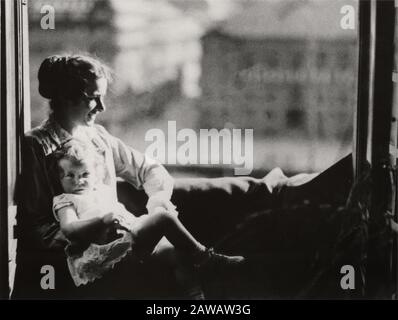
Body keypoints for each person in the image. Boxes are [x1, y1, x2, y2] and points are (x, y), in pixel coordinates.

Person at [16, 53, 342, 299]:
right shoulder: (37, 146)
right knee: (179, 261)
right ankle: (213, 262)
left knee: (180, 257)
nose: (101, 106)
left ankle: (209, 267)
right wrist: (98, 233)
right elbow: (39, 227)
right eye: (93, 97)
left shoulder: (97, 137)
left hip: (119, 233)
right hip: (87, 251)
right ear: (67, 98)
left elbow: (150, 169)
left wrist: (156, 202)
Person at [52, 138, 243, 297]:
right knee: (162, 218)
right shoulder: (66, 200)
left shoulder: (102, 192)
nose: (78, 180)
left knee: (177, 253)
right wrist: (101, 221)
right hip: (103, 255)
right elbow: (69, 229)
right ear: (60, 178)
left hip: (128, 241)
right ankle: (207, 259)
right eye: (70, 175)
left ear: (96, 175)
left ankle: (195, 298)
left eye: (84, 173)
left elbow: (126, 217)